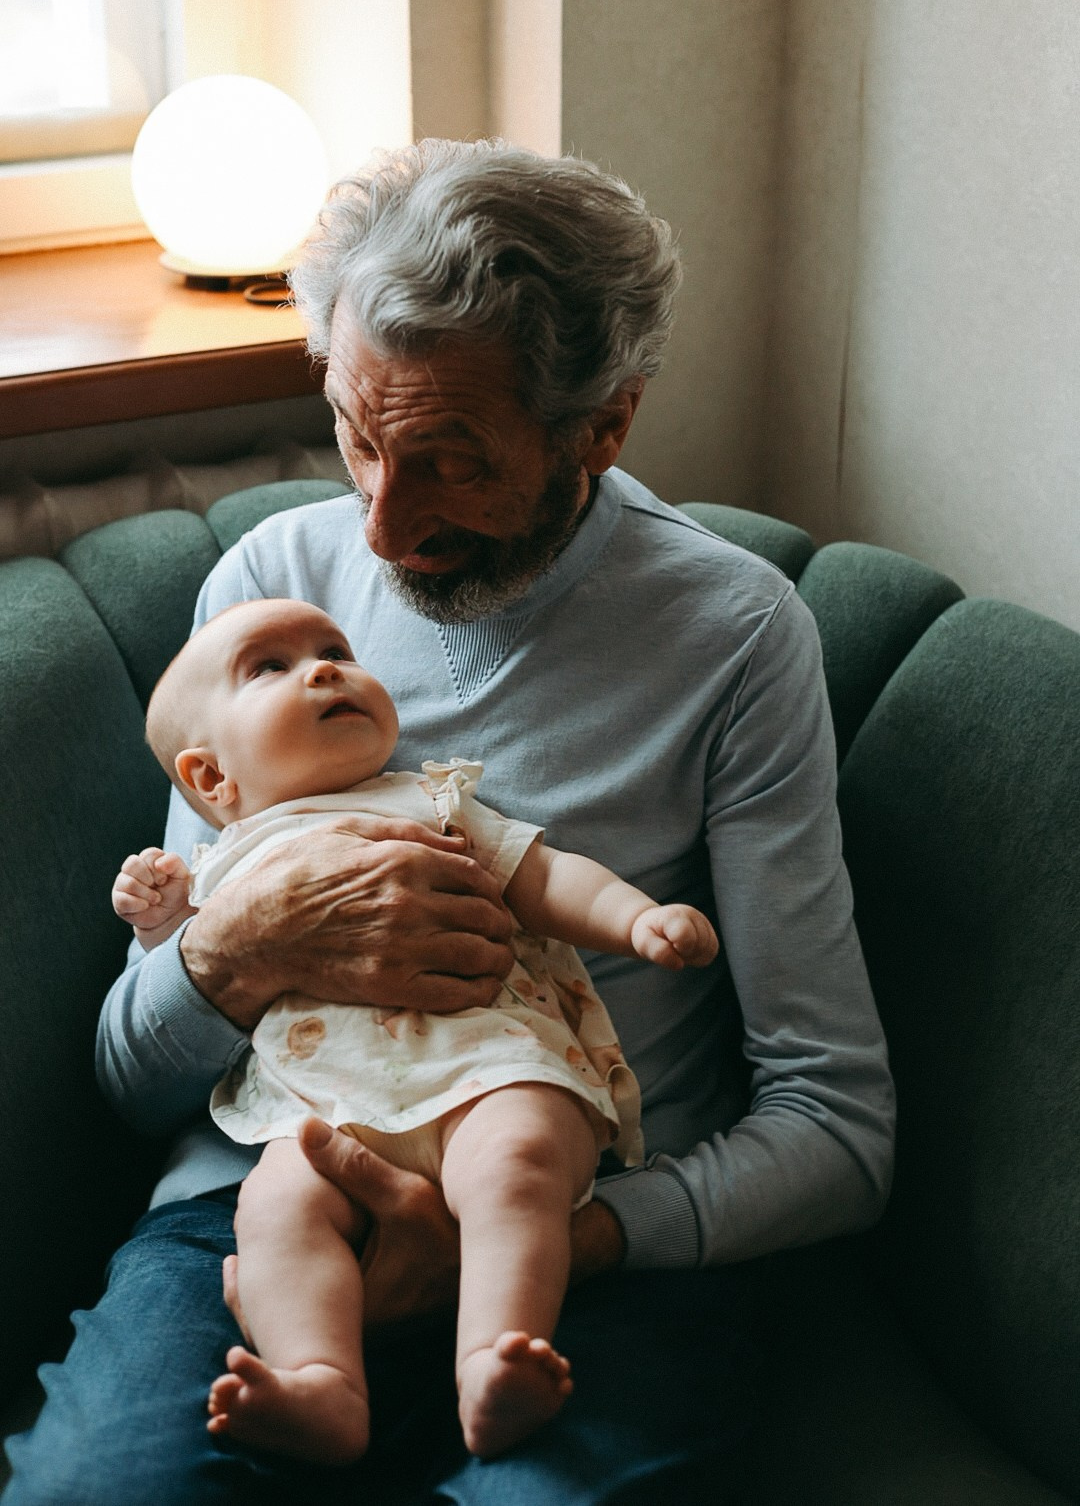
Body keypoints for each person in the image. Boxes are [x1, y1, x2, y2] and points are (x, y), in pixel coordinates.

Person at [3, 139, 895, 1506]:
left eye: (450, 462)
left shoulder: (728, 636)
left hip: (577, 1241)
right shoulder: (266, 593)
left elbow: (837, 1131)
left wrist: (557, 1235)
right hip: (260, 1206)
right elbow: (134, 1082)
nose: (377, 525)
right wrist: (236, 951)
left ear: (603, 427)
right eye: (358, 438)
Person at [111, 594, 717, 1463]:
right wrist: (159, 917)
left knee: (517, 1167)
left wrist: (635, 919)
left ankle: (493, 1359)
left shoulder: (430, 801)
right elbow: (188, 973)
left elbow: (545, 877)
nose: (325, 668)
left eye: (335, 648)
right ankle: (323, 1385)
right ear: (211, 781)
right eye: (271, 668)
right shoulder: (225, 866)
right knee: (275, 1209)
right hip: (323, 1112)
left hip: (491, 1073)